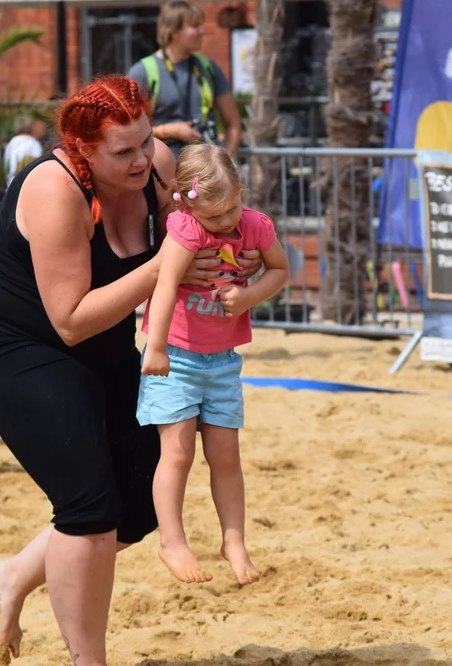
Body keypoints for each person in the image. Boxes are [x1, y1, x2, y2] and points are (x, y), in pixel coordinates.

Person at [0, 75, 263, 664]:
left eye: (146, 143)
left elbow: (209, 228)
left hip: (107, 336)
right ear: (82, 150)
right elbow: (69, 319)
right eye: (122, 152)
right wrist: (164, 272)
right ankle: (88, 660)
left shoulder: (162, 166)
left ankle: (16, 574)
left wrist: (241, 252)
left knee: (139, 502)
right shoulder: (55, 189)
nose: (142, 160)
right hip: (21, 344)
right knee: (89, 508)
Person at [139, 144, 289, 586]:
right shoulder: (185, 228)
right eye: (215, 216)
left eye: (232, 209)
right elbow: (165, 285)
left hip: (223, 362)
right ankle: (172, 540)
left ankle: (234, 541)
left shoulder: (255, 226)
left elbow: (280, 271)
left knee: (226, 456)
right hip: (178, 360)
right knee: (178, 452)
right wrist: (157, 347)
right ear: (187, 203)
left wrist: (248, 296)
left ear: (243, 192)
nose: (226, 223)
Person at [128, 0, 242, 158]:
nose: (202, 31)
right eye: (195, 26)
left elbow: (233, 124)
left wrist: (224, 165)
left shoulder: (208, 67)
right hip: (162, 170)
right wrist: (169, 131)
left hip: (204, 170)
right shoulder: (143, 71)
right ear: (174, 31)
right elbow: (127, 128)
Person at [3, 114, 46, 187]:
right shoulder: (33, 143)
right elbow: (37, 167)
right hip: (25, 186)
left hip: (10, 186)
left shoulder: (11, 143)